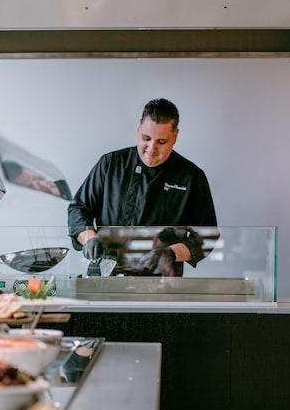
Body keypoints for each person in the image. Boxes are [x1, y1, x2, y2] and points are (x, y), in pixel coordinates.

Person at [67, 98, 217, 276]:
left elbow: (206, 237)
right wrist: (89, 239)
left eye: (162, 142)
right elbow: (78, 208)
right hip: (106, 275)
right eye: (146, 138)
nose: (151, 148)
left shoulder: (191, 177)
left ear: (175, 137)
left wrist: (170, 253)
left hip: (161, 280)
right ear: (138, 129)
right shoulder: (111, 164)